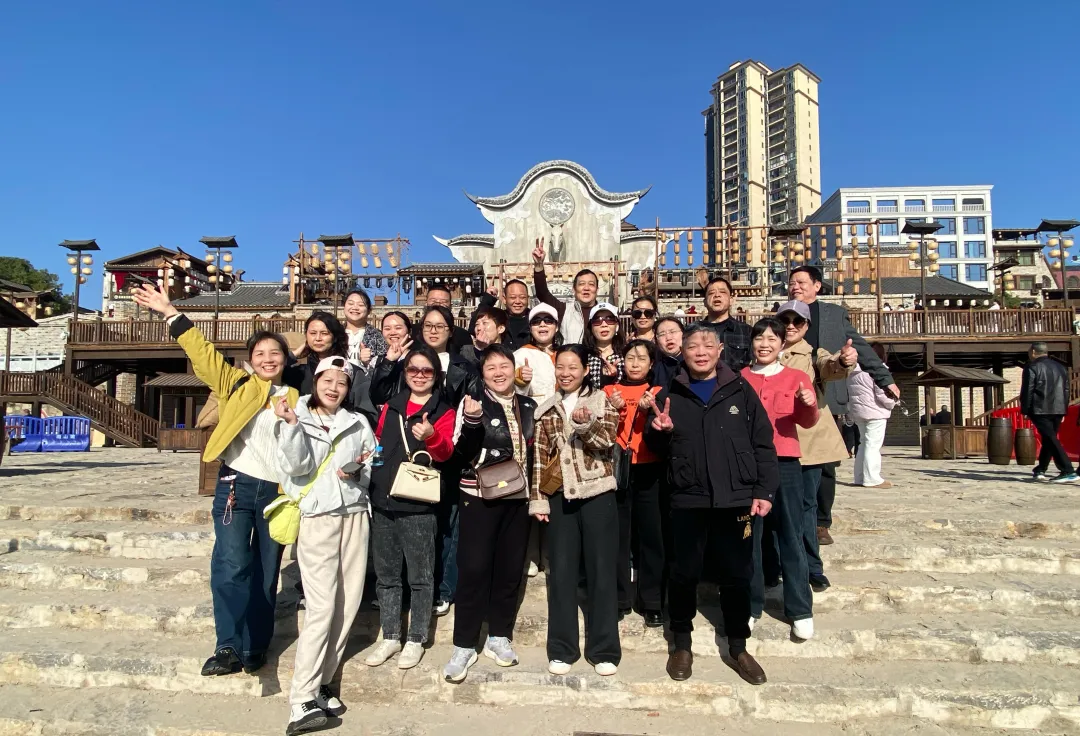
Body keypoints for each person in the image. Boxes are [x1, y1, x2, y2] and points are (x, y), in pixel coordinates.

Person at [132, 282, 295, 677]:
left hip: (276, 492)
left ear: (286, 358)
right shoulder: (235, 383)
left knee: (266, 571)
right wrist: (170, 312)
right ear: (250, 361)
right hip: (236, 485)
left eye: (275, 353)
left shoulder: (297, 396)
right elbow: (202, 353)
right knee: (232, 563)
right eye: (260, 354)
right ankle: (228, 645)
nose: (268, 359)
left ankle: (255, 645)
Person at [645, 323, 776, 684]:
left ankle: (738, 646)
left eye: (707, 345)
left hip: (736, 497)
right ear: (682, 353)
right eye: (692, 346)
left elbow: (763, 442)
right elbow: (655, 448)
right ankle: (681, 642)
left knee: (737, 574)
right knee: (683, 573)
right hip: (688, 496)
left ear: (720, 350)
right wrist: (659, 431)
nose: (700, 352)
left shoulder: (740, 389)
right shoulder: (670, 392)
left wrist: (764, 491)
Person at [275, 356, 375, 735]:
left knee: (347, 604)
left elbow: (373, 461)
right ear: (315, 382)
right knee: (321, 607)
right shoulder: (296, 416)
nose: (334, 388)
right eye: (327, 380)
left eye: (342, 382)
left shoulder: (358, 421)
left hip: (355, 514)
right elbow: (296, 467)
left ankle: (322, 684)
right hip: (319, 517)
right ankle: (301, 698)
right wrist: (291, 426)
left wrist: (359, 471)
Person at [442, 345, 537, 682]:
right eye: (491, 367)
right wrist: (471, 421)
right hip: (479, 495)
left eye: (504, 365)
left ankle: (499, 635)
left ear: (514, 369)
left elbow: (535, 450)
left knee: (510, 569)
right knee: (474, 568)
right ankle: (464, 644)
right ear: (482, 374)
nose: (499, 372)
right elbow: (460, 453)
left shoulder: (528, 405)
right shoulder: (473, 403)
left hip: (519, 496)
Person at [788, 266, 896, 548]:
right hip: (789, 399)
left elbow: (860, 347)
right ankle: (794, 515)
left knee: (825, 464)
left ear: (817, 286)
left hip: (825, 395)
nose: (795, 286)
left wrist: (884, 379)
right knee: (791, 462)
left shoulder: (833, 315)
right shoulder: (783, 315)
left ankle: (821, 523)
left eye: (801, 282)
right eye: (791, 282)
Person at [529, 344, 621, 676]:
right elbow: (539, 459)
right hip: (560, 499)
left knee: (602, 572)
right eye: (561, 367)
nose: (566, 373)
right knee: (562, 574)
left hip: (598, 495)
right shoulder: (546, 410)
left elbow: (607, 440)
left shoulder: (602, 401)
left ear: (585, 370)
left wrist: (585, 425)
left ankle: (604, 649)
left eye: (573, 367)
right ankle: (562, 648)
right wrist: (538, 499)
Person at [365, 346, 456, 670]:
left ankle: (416, 638)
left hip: (418, 504)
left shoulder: (443, 410)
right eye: (413, 370)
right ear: (405, 374)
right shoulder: (392, 406)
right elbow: (379, 443)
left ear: (436, 375)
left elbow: (446, 453)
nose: (419, 375)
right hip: (383, 499)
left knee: (420, 576)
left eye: (426, 370)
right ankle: (390, 635)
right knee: (387, 575)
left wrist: (431, 436)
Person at [742, 317, 819, 641]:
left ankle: (800, 608)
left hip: (785, 462)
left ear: (782, 344)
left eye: (772, 339)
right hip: (747, 466)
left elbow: (808, 421)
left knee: (790, 534)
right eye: (759, 338)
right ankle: (750, 607)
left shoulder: (796, 377)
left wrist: (808, 404)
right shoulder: (739, 378)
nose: (765, 344)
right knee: (749, 539)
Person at [775, 300, 851, 593]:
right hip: (774, 441)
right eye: (785, 320)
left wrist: (844, 361)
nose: (790, 326)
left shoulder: (813, 354)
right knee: (776, 507)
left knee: (807, 506)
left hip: (809, 442)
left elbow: (831, 367)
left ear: (806, 326)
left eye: (797, 321)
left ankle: (811, 567)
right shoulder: (765, 351)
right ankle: (778, 564)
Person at [604, 340, 665, 627]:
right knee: (617, 537)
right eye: (630, 357)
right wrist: (613, 410)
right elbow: (601, 432)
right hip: (618, 470)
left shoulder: (657, 392)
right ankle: (618, 599)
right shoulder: (609, 391)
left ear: (651, 364)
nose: (636, 363)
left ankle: (651, 601)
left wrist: (649, 411)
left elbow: (664, 431)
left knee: (651, 537)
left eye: (642, 358)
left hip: (649, 469)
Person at [1021, 342, 1078, 483]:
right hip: (1058, 408)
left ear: (1033, 352)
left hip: (1040, 409)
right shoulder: (1060, 367)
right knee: (1049, 438)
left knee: (1051, 439)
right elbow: (1066, 390)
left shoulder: (1032, 367)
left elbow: (1028, 390)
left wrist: (1025, 410)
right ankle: (1041, 469)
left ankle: (1067, 470)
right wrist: (1064, 410)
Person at [532, 238, 599, 343]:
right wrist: (539, 265)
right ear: (574, 289)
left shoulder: (605, 313)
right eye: (581, 284)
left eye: (591, 284)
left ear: (597, 289)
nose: (586, 288)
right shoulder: (564, 310)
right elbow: (542, 294)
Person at [848, 360, 897, 489]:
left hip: (859, 411)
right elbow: (883, 393)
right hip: (875, 412)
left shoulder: (852, 371)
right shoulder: (876, 369)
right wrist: (893, 402)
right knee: (873, 445)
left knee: (863, 444)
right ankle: (872, 478)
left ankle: (860, 477)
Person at [701, 276, 752, 372]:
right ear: (705, 302)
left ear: (731, 300)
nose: (717, 295)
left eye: (722, 292)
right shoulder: (693, 332)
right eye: (711, 293)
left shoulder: (747, 331)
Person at [515, 304, 560, 406]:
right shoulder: (520, 355)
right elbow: (511, 394)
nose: (542, 324)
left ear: (556, 327)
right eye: (536, 322)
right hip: (535, 412)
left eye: (548, 320)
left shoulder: (566, 354)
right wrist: (520, 381)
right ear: (530, 329)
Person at [471, 279, 532, 349]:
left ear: (528, 298)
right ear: (504, 299)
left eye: (522, 297)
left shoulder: (535, 319)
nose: (517, 301)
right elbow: (474, 327)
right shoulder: (499, 317)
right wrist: (488, 300)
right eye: (513, 297)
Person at [342, 288, 388, 373]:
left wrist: (368, 363)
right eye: (350, 303)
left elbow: (384, 368)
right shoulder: (335, 333)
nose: (355, 308)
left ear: (369, 310)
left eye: (361, 305)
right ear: (344, 307)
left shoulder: (377, 335)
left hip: (365, 380)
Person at [421, 283, 472, 354]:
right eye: (433, 301)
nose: (438, 304)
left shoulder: (462, 335)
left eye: (443, 302)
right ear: (426, 303)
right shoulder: (412, 333)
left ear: (450, 306)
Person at [583, 302, 625, 388]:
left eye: (610, 319)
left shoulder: (626, 355)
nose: (604, 324)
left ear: (617, 326)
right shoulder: (583, 357)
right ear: (591, 327)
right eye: (597, 320)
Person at [652, 316, 684, 390]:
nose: (668, 338)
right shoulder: (654, 369)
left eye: (673, 332)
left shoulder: (696, 361)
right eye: (662, 334)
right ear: (656, 341)